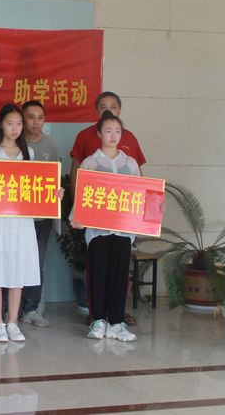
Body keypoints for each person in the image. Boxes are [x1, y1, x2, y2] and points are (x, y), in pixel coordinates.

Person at [69, 91, 146, 326]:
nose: (113, 136)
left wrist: (151, 210)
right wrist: (77, 215)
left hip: (123, 228)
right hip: (98, 229)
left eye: (117, 132)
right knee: (98, 273)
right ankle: (98, 318)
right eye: (108, 131)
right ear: (99, 133)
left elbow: (140, 190)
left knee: (120, 274)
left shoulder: (130, 163)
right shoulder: (90, 162)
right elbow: (82, 190)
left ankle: (117, 321)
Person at [0, 104, 40, 343]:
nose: (15, 128)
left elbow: (35, 187)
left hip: (21, 221)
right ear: (1, 125)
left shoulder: (28, 153)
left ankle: (12, 322)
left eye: (19, 124)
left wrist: (52, 194)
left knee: (17, 270)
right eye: (10, 123)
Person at [20, 100, 60, 328]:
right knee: (14, 260)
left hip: (41, 217)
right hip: (17, 216)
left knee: (37, 263)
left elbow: (54, 177)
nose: (36, 122)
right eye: (31, 117)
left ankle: (31, 309)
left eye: (40, 118)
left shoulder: (50, 144)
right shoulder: (14, 142)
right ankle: (8, 309)